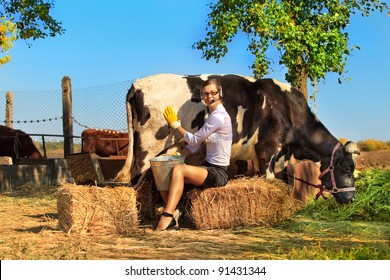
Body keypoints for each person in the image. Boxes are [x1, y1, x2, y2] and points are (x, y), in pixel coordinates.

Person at [156, 78, 233, 231]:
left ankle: (166, 215)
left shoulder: (218, 117)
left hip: (218, 172)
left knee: (179, 170)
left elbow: (195, 139)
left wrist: (175, 125)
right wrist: (178, 155)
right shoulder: (211, 116)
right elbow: (195, 145)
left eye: (213, 93)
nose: (209, 97)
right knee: (165, 169)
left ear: (220, 92)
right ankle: (175, 213)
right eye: (205, 94)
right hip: (208, 168)